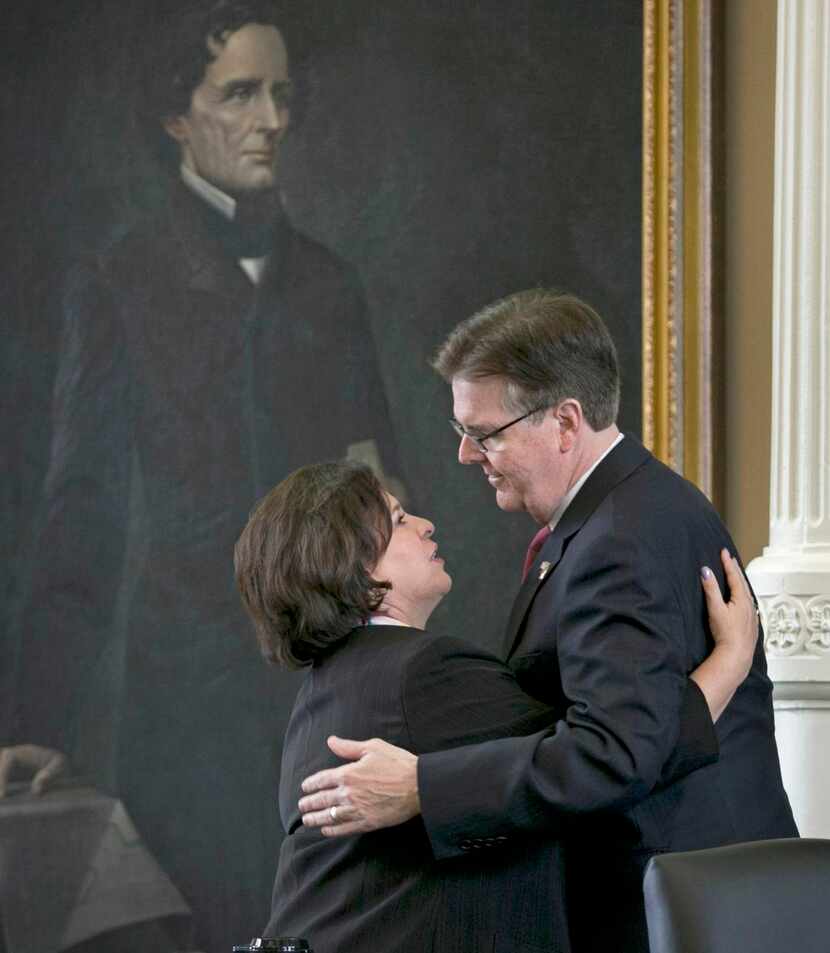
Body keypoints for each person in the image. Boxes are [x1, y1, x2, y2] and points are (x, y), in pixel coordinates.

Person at [2, 3, 398, 951]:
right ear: (177, 117)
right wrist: (43, 719)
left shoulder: (329, 284)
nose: (271, 119)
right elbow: (83, 508)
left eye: (281, 94)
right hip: (187, 699)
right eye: (239, 93)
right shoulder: (121, 279)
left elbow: (381, 488)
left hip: (327, 687)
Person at [297, 290, 798, 953]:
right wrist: (721, 672)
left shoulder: (621, 538)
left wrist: (421, 786)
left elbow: (614, 751)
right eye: (461, 433)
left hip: (675, 917)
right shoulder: (614, 517)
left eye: (484, 435)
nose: (466, 457)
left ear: (564, 423)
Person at [235, 459, 757, 953]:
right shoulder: (420, 672)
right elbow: (614, 758)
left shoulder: (337, 684)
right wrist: (729, 663)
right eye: (398, 520)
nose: (425, 524)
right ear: (351, 564)